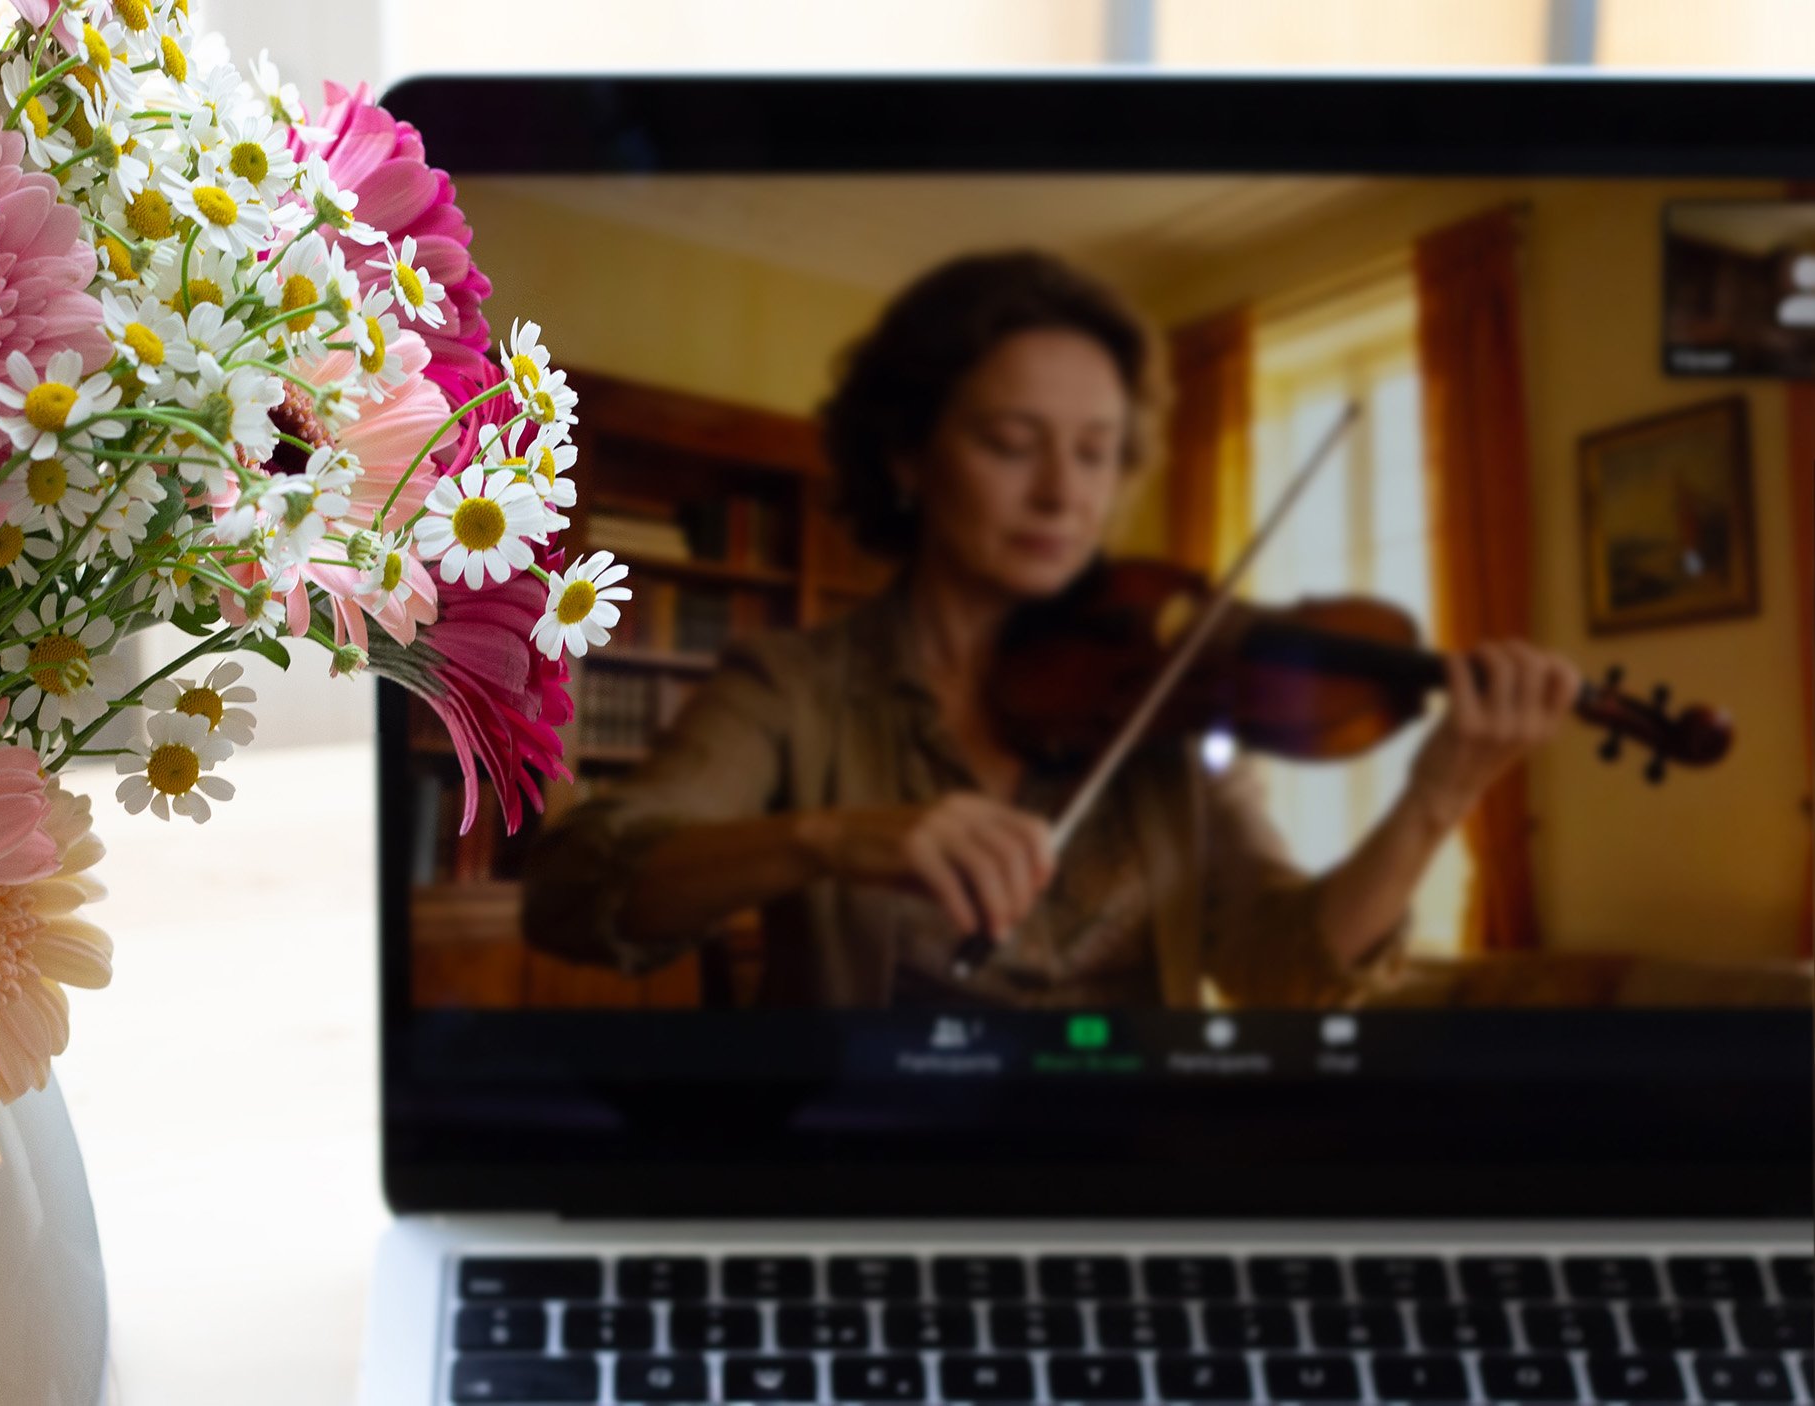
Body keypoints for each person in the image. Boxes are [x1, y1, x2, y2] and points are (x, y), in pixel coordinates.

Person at [522, 250, 1581, 1010]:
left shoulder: (1163, 688)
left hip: (1124, 1168)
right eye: (1010, 441)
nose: (1061, 495)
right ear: (906, 455)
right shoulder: (793, 685)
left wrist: (1437, 793)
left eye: (1095, 451)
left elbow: (1284, 967)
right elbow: (575, 889)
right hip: (869, 1176)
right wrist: (831, 836)